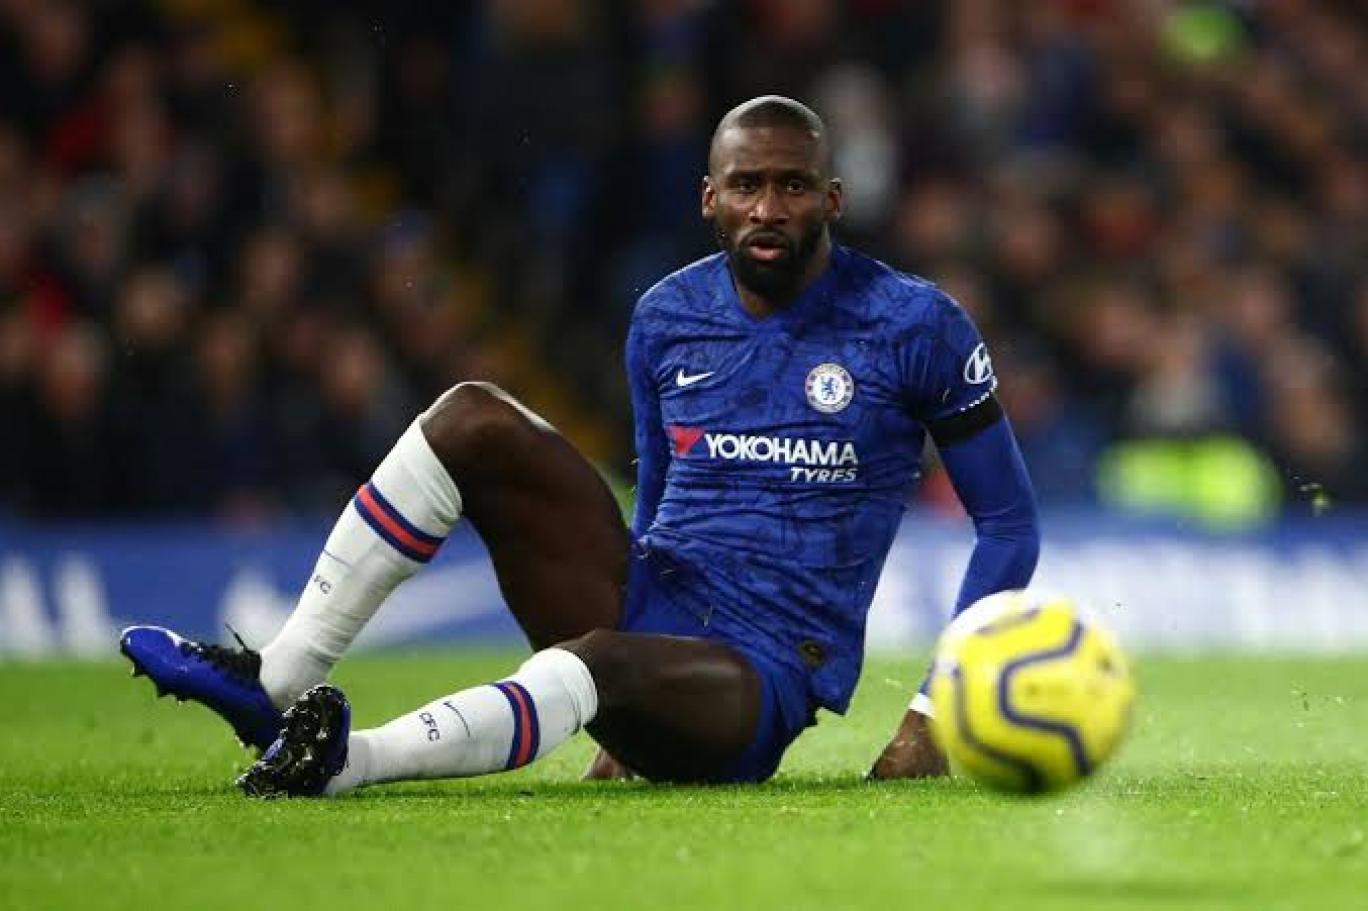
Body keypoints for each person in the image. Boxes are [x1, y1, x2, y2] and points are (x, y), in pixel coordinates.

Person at [121, 96, 1039, 795]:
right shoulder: (668, 314)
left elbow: (1008, 524)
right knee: (473, 416)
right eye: (746, 185)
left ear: (833, 199)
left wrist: (934, 711)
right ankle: (279, 679)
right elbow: (661, 503)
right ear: (709, 198)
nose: (768, 206)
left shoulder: (915, 325)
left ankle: (343, 762)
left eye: (793, 186)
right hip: (649, 608)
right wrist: (632, 714)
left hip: (759, 675)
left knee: (596, 661)